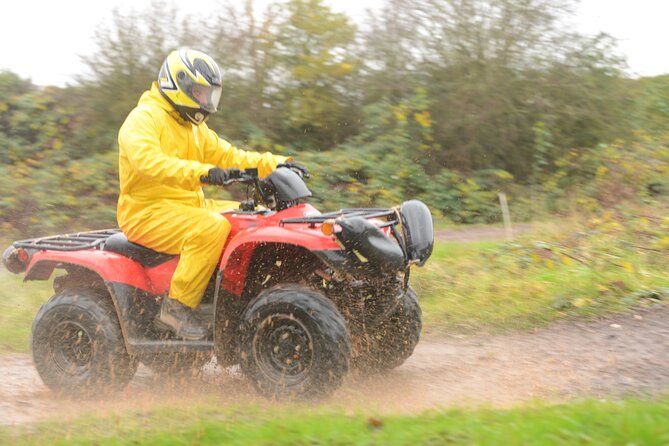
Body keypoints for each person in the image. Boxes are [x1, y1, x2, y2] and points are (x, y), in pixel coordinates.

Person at [117, 48, 307, 340]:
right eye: (199, 92)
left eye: (209, 94)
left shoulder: (194, 128)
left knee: (252, 220)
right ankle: (177, 307)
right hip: (146, 213)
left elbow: (231, 156)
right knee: (211, 228)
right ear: (176, 83)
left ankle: (231, 298)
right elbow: (149, 163)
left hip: (189, 205)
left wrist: (280, 163)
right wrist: (203, 172)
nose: (205, 101)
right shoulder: (143, 119)